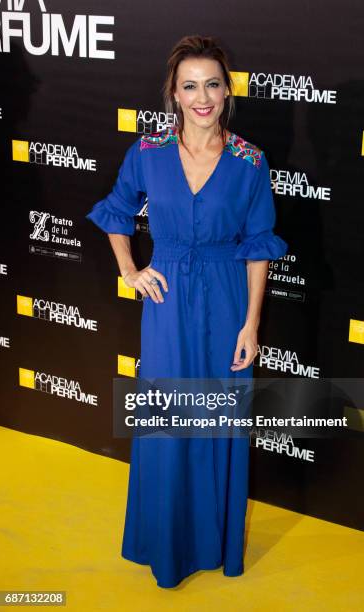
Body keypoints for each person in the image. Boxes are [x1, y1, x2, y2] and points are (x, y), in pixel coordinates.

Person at [85, 35, 288, 588]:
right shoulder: (147, 152)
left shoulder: (249, 161)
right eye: (190, 86)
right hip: (168, 302)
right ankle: (167, 548)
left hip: (226, 300)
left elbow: (258, 246)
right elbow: (116, 212)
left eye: (213, 84)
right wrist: (129, 269)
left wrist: (251, 323)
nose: (203, 97)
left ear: (227, 91)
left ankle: (214, 546)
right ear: (173, 93)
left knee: (219, 424)